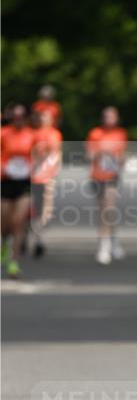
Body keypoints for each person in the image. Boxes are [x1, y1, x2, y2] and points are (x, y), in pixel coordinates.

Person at [86, 107, 129, 264]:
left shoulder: (121, 134)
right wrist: (102, 152)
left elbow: (123, 156)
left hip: (112, 177)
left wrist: (118, 160)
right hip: (97, 177)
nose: (108, 119)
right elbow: (89, 155)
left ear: (117, 118)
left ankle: (105, 246)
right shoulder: (95, 133)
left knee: (109, 210)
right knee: (103, 212)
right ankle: (111, 240)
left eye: (111, 116)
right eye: (106, 116)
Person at [1, 104, 35, 279]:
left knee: (18, 221)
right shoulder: (3, 133)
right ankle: (4, 245)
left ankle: (14, 262)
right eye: (15, 116)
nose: (18, 120)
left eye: (21, 117)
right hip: (6, 181)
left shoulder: (32, 135)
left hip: (24, 182)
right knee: (5, 223)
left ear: (26, 118)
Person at [29, 105, 62, 257]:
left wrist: (56, 169)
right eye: (43, 116)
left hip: (48, 175)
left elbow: (57, 153)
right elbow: (31, 153)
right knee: (34, 208)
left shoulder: (55, 134)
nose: (45, 119)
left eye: (48, 116)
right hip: (35, 174)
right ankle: (35, 237)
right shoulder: (34, 133)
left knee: (47, 209)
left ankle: (39, 238)